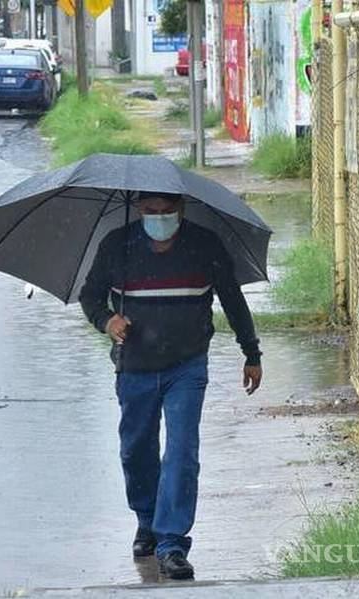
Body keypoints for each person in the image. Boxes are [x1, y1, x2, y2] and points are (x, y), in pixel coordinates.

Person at [79, 192, 263, 580]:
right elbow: (90, 296)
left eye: (167, 211)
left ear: (181, 209)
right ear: (138, 210)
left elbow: (231, 298)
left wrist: (251, 352)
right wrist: (107, 321)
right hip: (135, 367)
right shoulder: (118, 245)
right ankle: (147, 520)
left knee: (181, 451)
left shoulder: (204, 245)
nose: (159, 218)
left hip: (187, 367)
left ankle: (172, 543)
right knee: (136, 449)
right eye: (150, 211)